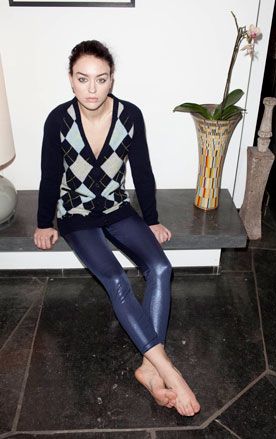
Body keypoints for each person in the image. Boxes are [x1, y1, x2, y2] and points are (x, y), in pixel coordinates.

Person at [34, 40, 200, 417]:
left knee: (160, 268)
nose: (92, 89)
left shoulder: (130, 116)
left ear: (112, 79)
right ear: (71, 80)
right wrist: (45, 222)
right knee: (116, 279)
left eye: (101, 79)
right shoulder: (58, 120)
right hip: (76, 215)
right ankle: (168, 370)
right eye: (83, 79)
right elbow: (49, 175)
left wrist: (152, 217)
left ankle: (147, 367)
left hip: (116, 208)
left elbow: (142, 170)